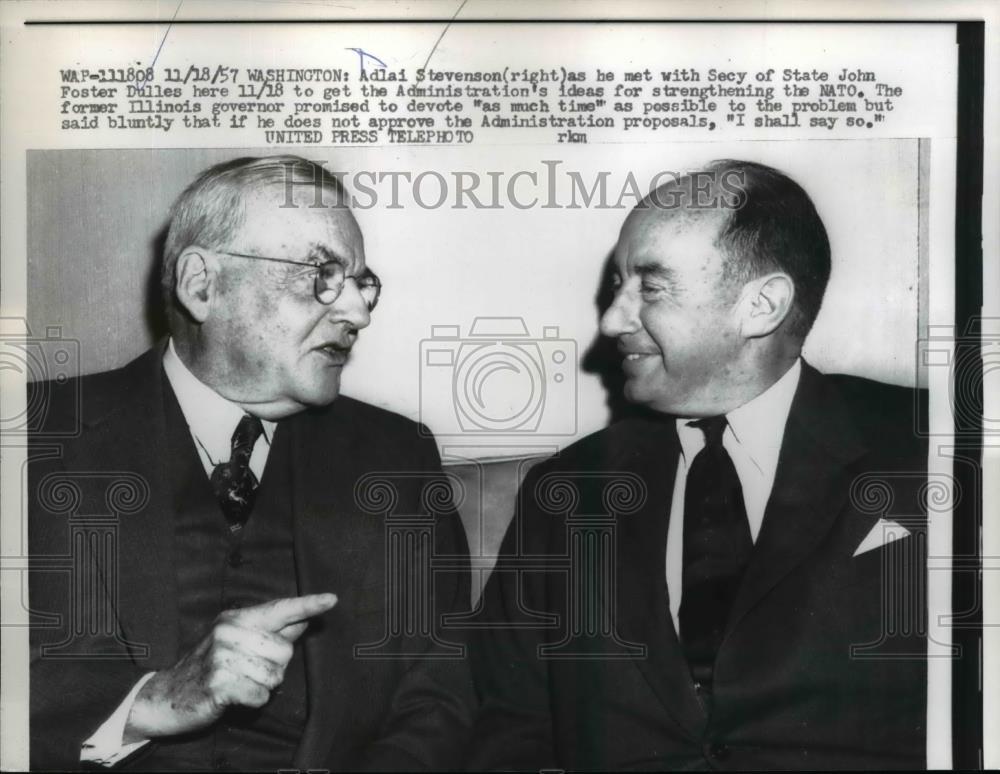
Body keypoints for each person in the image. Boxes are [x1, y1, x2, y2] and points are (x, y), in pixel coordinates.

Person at [470, 160, 927, 770]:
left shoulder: (935, 448)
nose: (611, 322)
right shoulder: (567, 489)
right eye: (617, 286)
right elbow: (504, 721)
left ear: (762, 305)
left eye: (650, 288)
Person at [28, 155, 474, 771]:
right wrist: (147, 702)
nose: (358, 313)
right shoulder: (33, 438)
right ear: (201, 285)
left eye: (359, 283)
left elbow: (440, 700)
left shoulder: (399, 461)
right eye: (320, 273)